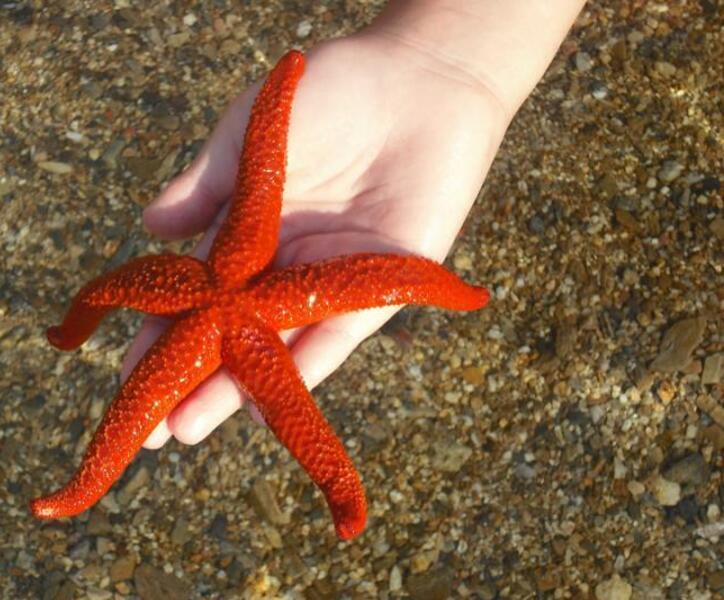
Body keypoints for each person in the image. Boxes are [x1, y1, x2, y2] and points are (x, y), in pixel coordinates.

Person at [123, 0, 587, 450]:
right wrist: (439, 53)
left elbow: (262, 175)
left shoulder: (210, 285)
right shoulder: (233, 296)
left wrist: (445, 58)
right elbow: (260, 175)